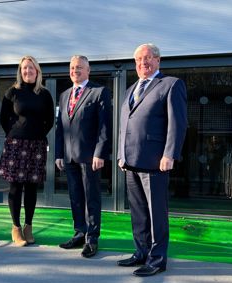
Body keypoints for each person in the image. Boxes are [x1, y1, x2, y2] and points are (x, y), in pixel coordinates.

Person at [117, 43, 187, 276]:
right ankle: (141, 252)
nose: (142, 63)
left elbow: (177, 123)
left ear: (158, 60)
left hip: (155, 161)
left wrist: (170, 154)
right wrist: (120, 154)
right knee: (138, 211)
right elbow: (124, 127)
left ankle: (157, 260)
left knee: (156, 212)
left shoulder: (170, 84)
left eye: (147, 58)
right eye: (138, 59)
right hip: (130, 162)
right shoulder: (130, 89)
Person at [55, 55, 112, 258]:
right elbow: (60, 128)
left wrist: (100, 153)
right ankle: (80, 232)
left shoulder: (99, 92)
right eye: (72, 68)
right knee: (76, 198)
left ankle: (92, 239)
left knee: (91, 199)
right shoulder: (64, 95)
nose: (75, 71)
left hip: (90, 157)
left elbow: (105, 127)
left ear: (88, 70)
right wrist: (59, 153)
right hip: (69, 157)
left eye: (79, 67)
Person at [0, 56, 54, 246]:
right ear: (20, 72)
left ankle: (28, 226)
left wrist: (37, 134)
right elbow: (3, 117)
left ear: (37, 71)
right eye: (24, 69)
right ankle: (16, 228)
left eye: (31, 68)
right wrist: (14, 133)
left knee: (31, 187)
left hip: (36, 145)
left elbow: (50, 120)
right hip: (16, 145)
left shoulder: (44, 94)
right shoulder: (12, 92)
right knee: (16, 186)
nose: (27, 71)